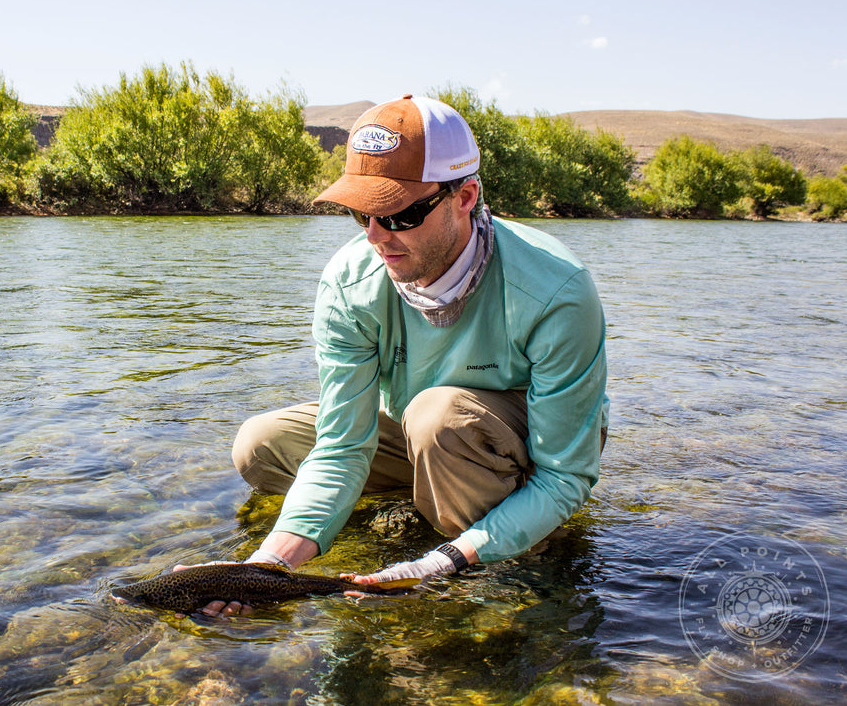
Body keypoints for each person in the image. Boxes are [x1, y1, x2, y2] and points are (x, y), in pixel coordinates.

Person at [200, 94, 607, 616]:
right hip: (420, 430)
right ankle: (427, 498)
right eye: (361, 213)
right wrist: (266, 567)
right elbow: (342, 445)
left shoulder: (557, 290)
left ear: (466, 196)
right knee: (260, 444)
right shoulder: (349, 283)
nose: (374, 237)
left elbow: (565, 474)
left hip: (530, 443)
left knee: (438, 418)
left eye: (400, 214)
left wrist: (444, 561)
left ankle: (499, 552)